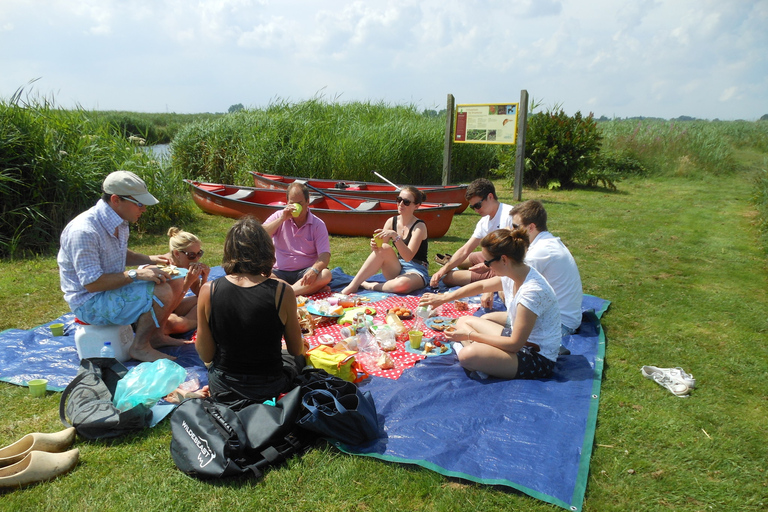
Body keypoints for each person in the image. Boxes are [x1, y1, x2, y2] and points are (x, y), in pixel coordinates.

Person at [57, 170, 187, 362]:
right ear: (116, 199)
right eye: (140, 203)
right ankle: (140, 347)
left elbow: (117, 253)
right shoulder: (84, 231)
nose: (143, 209)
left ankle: (156, 337)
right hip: (90, 301)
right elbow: (92, 284)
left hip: (110, 288)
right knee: (162, 292)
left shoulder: (120, 221)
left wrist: (150, 259)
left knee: (174, 278)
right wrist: (137, 274)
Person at [195, 216, 307, 409]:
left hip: (224, 387)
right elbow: (296, 349)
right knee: (295, 356)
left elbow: (206, 355)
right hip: (269, 388)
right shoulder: (282, 291)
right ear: (266, 250)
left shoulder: (208, 290)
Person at [419, 228, 561, 379]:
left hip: (537, 356)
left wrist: (469, 335)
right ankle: (486, 358)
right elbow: (482, 286)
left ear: (504, 260)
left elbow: (514, 344)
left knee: (468, 356)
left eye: (488, 262)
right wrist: (443, 298)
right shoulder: (515, 273)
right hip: (521, 341)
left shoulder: (531, 292)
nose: (486, 266)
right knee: (463, 320)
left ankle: (480, 358)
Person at [429, 179, 515, 306]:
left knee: (449, 278)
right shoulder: (484, 221)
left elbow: (515, 255)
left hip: (505, 265)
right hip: (491, 259)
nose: (475, 210)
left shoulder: (510, 215)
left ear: (490, 197)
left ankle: (486, 278)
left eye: (477, 205)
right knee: (466, 258)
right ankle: (451, 263)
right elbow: (465, 250)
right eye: (472, 207)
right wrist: (442, 270)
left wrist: (489, 282)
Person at [341, 186, 429, 295]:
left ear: (416, 206)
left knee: (402, 285)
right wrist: (375, 245)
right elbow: (380, 251)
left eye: (406, 202)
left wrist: (395, 236)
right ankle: (353, 285)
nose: (401, 204)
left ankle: (368, 285)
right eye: (399, 199)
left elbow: (408, 256)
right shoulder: (391, 221)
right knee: (384, 248)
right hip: (397, 266)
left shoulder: (419, 226)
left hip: (417, 269)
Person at [262, 182, 332, 296]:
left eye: (299, 203)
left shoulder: (318, 224)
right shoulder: (279, 216)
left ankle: (287, 293)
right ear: (287, 202)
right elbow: (260, 235)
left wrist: (314, 270)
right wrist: (281, 219)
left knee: (325, 274)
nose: (295, 207)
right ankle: (304, 290)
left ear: (308, 202)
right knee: (260, 275)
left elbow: (325, 255)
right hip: (278, 271)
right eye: (292, 203)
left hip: (305, 272)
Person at [159, 227, 211, 335]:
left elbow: (198, 292)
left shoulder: (185, 264)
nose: (196, 259)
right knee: (173, 324)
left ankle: (195, 320)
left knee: (209, 299)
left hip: (173, 308)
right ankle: (199, 321)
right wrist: (187, 283)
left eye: (199, 253)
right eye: (191, 255)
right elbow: (166, 309)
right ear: (177, 254)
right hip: (157, 313)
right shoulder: (165, 269)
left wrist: (204, 278)